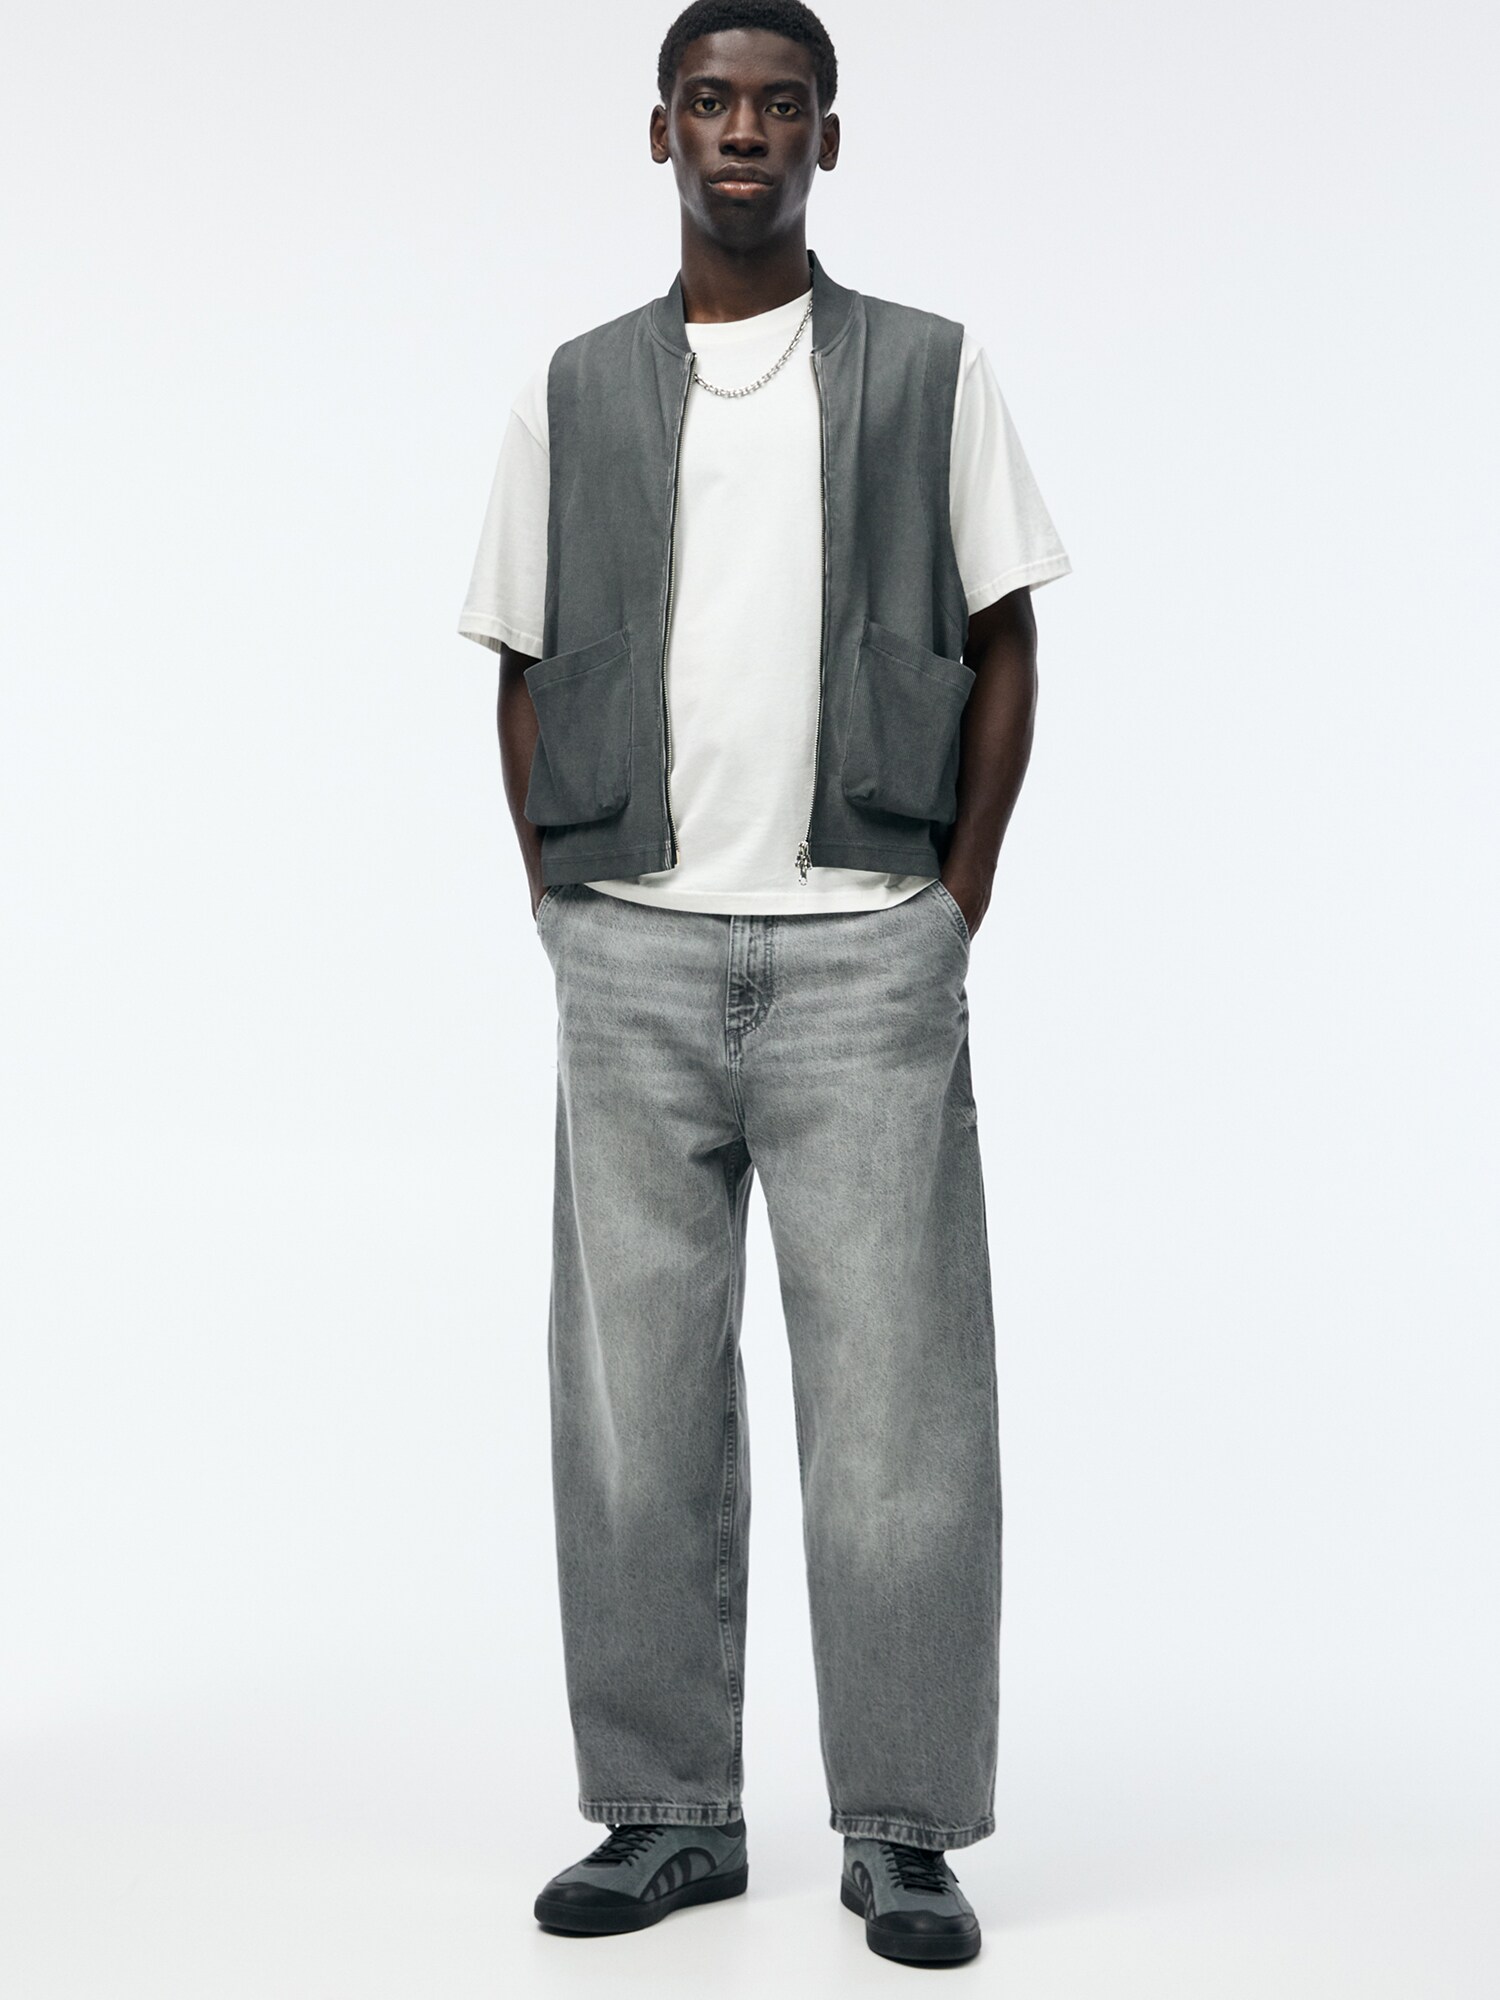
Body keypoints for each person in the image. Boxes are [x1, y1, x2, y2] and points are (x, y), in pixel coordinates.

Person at [457, 0, 1071, 1967]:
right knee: (634, 1409)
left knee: (899, 1416)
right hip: (630, 950)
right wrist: (563, 905)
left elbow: (1008, 639)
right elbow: (518, 662)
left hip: (865, 957)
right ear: (661, 134)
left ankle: (904, 1831)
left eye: (780, 104)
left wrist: (953, 901)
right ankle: (665, 1818)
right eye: (712, 103)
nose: (746, 131)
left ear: (827, 136)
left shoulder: (930, 371)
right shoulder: (571, 390)